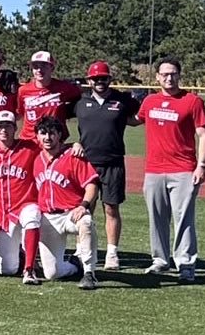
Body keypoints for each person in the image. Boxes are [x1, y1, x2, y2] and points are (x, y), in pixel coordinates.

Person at [137, 58, 205, 283]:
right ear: (157, 77)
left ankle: (186, 263)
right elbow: (134, 119)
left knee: (183, 219)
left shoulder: (192, 101)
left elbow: (204, 134)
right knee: (156, 218)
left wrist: (201, 165)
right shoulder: (149, 101)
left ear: (179, 76)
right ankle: (160, 259)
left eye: (173, 74)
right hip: (154, 170)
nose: (169, 78)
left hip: (183, 169)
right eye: (164, 74)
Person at [72, 61, 141, 271]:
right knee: (85, 209)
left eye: (104, 78)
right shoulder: (79, 101)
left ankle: (112, 252)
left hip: (113, 163)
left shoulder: (122, 100)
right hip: (87, 164)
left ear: (110, 79)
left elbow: (139, 117)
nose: (100, 82)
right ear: (88, 81)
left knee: (111, 208)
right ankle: (82, 249)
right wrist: (74, 143)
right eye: (95, 78)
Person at [32, 116, 101, 290]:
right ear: (37, 136)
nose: (47, 137)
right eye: (43, 133)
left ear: (60, 135)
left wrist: (83, 206)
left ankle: (89, 272)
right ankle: (75, 265)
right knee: (52, 273)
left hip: (70, 213)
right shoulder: (36, 158)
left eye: (52, 133)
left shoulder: (73, 155)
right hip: (48, 217)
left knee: (86, 222)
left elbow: (92, 185)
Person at [0, 110, 42, 283]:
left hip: (25, 204)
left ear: (15, 128)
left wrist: (74, 145)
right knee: (8, 269)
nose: (3, 130)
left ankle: (29, 269)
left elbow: (52, 145)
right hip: (2, 214)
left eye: (8, 125)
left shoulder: (29, 147)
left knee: (32, 217)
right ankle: (22, 254)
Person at [16, 51, 81, 140]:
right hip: (30, 140)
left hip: (54, 139)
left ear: (52, 68)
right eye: (35, 67)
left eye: (44, 66)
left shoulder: (64, 87)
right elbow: (22, 113)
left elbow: (80, 97)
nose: (39, 70)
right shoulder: (23, 90)